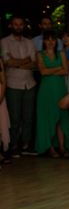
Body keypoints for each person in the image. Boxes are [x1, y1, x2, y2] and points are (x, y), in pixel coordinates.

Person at [0, 15, 37, 157]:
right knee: (14, 118)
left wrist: (17, 62)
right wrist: (25, 61)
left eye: (21, 24)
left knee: (28, 117)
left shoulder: (30, 42)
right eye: (15, 24)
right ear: (11, 25)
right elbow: (7, 62)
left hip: (30, 83)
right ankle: (13, 145)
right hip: (12, 84)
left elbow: (34, 63)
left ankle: (26, 145)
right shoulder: (4, 42)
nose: (18, 27)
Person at [35, 31, 69, 157]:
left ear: (56, 42)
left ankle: (62, 146)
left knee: (61, 118)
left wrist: (50, 70)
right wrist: (58, 68)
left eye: (53, 40)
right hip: (46, 90)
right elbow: (43, 72)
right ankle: (50, 147)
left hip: (59, 88)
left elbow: (66, 71)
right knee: (48, 118)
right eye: (48, 40)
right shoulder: (40, 54)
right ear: (44, 41)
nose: (50, 42)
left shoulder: (61, 53)